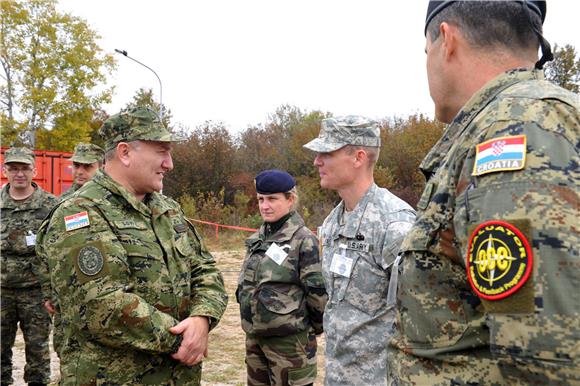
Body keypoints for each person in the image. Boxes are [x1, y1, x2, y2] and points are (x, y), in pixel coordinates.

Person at [388, 1, 580, 384]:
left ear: (446, 40)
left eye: (425, 52)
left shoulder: (514, 129)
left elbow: (548, 359)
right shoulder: (522, 120)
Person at [35, 107, 228, 385]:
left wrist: (202, 318)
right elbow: (104, 306)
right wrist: (185, 338)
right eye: (162, 152)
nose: (169, 164)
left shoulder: (167, 209)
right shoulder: (80, 214)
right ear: (125, 153)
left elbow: (205, 270)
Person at [303, 116, 416, 386]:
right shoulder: (332, 223)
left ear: (359, 157)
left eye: (326, 153)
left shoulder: (394, 223)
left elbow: (417, 316)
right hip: (339, 375)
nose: (317, 161)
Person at [236, 169, 328, 386]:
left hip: (290, 345)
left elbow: (316, 292)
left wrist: (312, 328)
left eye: (272, 199)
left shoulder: (303, 240)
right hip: (255, 339)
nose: (264, 206)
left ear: (290, 199)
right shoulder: (259, 237)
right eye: (261, 199)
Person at [1, 147, 58, 386]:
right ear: (5, 171)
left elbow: (58, 250)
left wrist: (53, 292)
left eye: (24, 168)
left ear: (34, 170)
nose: (19, 174)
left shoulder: (51, 205)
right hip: (2, 291)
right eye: (13, 168)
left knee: (37, 354)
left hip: (36, 294)